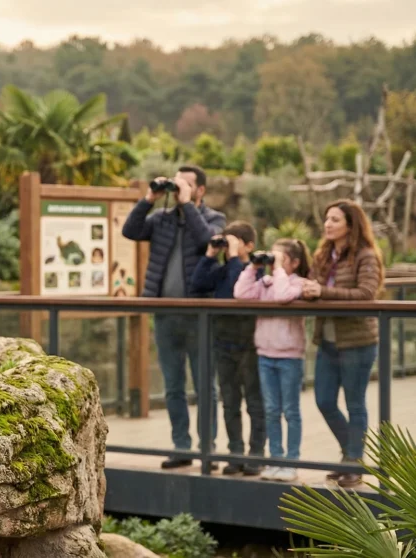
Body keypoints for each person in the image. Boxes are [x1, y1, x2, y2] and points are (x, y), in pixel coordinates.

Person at [121, 165, 226, 468]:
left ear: (200, 190)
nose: (178, 187)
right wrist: (149, 198)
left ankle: (209, 451)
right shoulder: (162, 219)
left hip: (200, 315)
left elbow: (208, 242)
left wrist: (186, 204)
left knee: (206, 386)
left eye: (186, 184)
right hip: (165, 315)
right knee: (173, 386)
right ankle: (181, 447)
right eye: (176, 183)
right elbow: (130, 230)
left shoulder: (214, 219)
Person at [301, 200, 385, 488]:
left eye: (335, 219)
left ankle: (353, 461)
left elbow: (366, 294)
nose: (327, 224)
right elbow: (313, 283)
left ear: (351, 224)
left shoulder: (366, 255)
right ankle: (353, 454)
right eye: (326, 218)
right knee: (324, 400)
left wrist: (322, 291)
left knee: (355, 403)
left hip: (358, 341)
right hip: (327, 340)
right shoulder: (325, 254)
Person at [189, 221, 265, 476]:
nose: (227, 248)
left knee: (254, 402)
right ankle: (235, 453)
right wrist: (210, 255)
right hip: (223, 342)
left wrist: (233, 257)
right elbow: (197, 284)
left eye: (234, 242)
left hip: (249, 345)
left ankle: (255, 455)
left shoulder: (257, 271)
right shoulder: (224, 268)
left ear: (249, 246)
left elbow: (236, 290)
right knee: (229, 402)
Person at [234, 238, 311, 482]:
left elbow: (283, 296)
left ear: (295, 263)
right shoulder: (265, 283)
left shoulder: (299, 284)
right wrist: (253, 267)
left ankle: (291, 462)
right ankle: (275, 459)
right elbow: (241, 293)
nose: (272, 264)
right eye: (272, 258)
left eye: (280, 259)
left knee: (290, 411)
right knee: (271, 411)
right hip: (265, 355)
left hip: (289, 357)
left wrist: (277, 270)